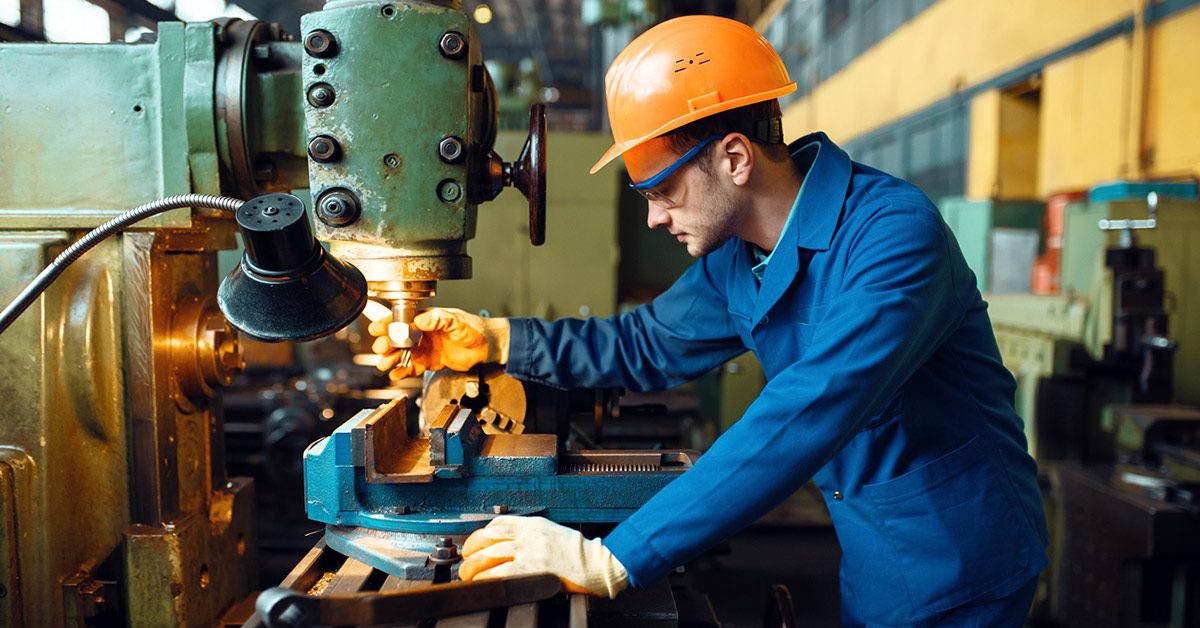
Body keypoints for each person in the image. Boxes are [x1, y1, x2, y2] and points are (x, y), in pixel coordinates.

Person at [369, 14, 1048, 626]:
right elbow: (646, 342)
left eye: (662, 192)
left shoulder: (893, 236)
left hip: (959, 554)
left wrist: (614, 558)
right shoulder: (738, 257)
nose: (654, 217)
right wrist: (492, 338)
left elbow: (811, 408)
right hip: (874, 547)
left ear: (734, 158)